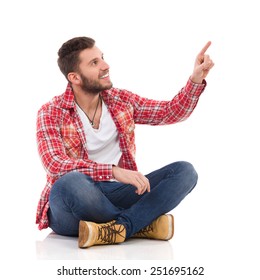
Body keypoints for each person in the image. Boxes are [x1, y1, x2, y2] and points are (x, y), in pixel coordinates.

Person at [36, 36, 214, 249]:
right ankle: (141, 223)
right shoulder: (51, 112)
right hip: (73, 205)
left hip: (118, 193)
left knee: (185, 172)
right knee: (70, 182)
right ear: (74, 77)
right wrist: (112, 171)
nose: (105, 66)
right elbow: (55, 165)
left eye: (102, 58)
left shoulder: (121, 101)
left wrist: (195, 79)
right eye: (94, 63)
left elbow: (169, 112)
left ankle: (119, 228)